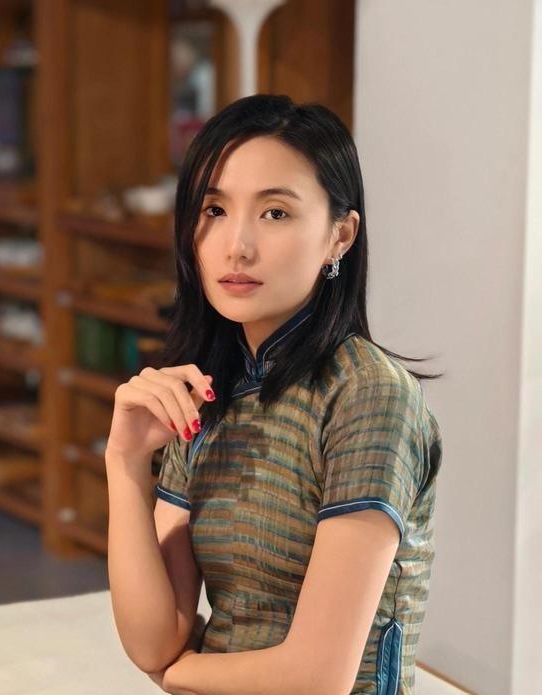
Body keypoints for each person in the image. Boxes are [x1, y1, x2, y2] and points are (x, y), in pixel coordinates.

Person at [106, 93, 444, 695]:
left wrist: (179, 674)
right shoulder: (209, 387)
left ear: (340, 236)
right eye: (214, 209)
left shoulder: (368, 395)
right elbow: (153, 639)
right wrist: (125, 462)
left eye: (275, 213)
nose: (236, 245)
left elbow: (316, 678)